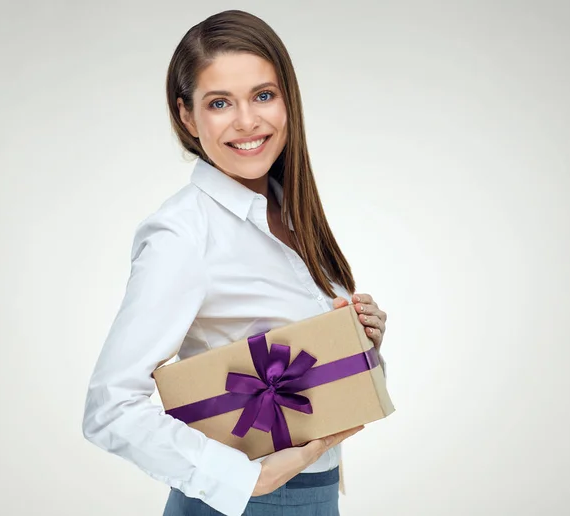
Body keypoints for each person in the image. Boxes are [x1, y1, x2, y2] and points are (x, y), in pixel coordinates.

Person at [82, 9, 388, 516]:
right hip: (250, 503)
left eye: (263, 95)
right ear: (186, 116)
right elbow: (110, 408)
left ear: (288, 98)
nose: (247, 122)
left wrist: (359, 340)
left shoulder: (288, 208)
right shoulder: (183, 233)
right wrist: (244, 479)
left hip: (315, 495)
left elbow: (291, 376)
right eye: (220, 103)